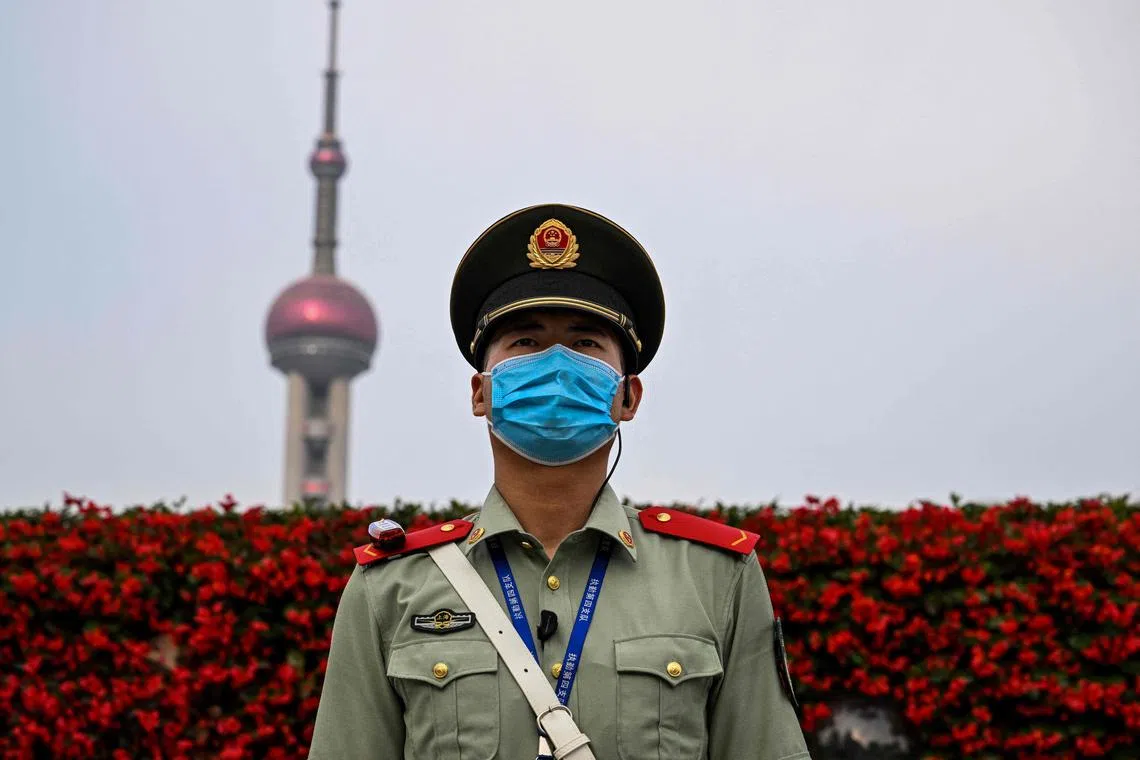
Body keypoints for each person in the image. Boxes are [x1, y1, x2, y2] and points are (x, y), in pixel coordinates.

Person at [309, 204, 811, 760]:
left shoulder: (716, 580)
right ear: (482, 392)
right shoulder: (390, 589)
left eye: (585, 344)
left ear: (628, 397)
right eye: (525, 342)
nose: (554, 362)